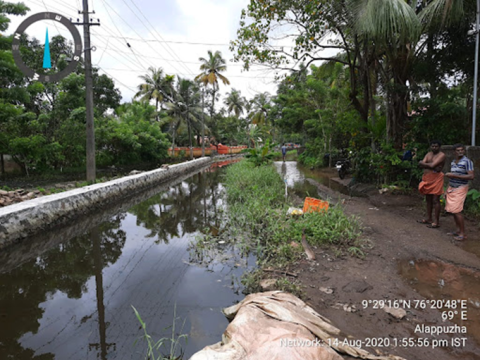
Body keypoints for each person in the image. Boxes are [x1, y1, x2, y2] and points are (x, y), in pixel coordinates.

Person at [444, 144, 474, 241]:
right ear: (454, 152)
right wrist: (447, 189)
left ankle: (462, 233)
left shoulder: (467, 162)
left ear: (464, 151)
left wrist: (454, 175)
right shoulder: (453, 162)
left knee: (457, 211)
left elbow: (471, 176)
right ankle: (457, 230)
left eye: (462, 150)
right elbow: (451, 178)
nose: (460, 152)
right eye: (458, 150)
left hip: (460, 188)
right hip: (452, 187)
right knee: (453, 211)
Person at [417, 140, 446, 228]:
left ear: (439, 147)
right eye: (432, 146)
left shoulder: (442, 155)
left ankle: (436, 221)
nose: (434, 148)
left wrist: (425, 164)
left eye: (436, 146)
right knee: (428, 199)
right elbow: (420, 164)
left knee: (436, 200)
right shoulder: (428, 154)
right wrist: (428, 165)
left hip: (436, 178)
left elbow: (432, 165)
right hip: (427, 177)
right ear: (430, 147)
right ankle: (429, 218)